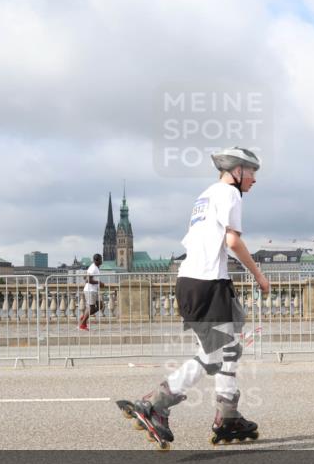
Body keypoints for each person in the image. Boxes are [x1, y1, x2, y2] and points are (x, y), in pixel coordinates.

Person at [117, 147, 270, 448]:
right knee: (215, 356)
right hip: (208, 284)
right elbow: (232, 241)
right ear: (236, 172)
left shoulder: (206, 196)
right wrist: (259, 275)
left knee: (226, 351)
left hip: (191, 282)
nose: (254, 179)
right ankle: (155, 403)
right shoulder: (230, 194)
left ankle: (228, 415)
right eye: (251, 172)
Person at [78, 253, 105, 331]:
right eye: (101, 259)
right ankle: (83, 324)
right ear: (97, 260)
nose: (102, 261)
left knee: (100, 305)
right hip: (90, 290)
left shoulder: (94, 267)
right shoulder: (93, 268)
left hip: (93, 290)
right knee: (92, 308)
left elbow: (85, 277)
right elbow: (88, 280)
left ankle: (84, 317)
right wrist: (99, 283)